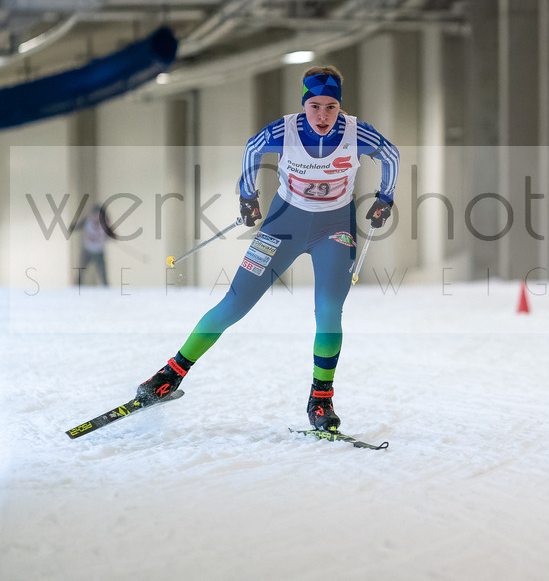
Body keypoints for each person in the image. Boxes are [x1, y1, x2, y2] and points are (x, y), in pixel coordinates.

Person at [135, 65, 399, 431]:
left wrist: (386, 197)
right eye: (315, 106)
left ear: (340, 107)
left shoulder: (356, 133)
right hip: (283, 225)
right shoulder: (284, 131)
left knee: (328, 309)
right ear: (304, 104)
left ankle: (321, 398)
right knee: (236, 302)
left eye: (331, 108)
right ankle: (170, 375)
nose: (323, 116)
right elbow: (252, 149)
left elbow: (392, 155)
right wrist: (247, 196)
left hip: (334, 229)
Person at [75, 204, 113, 287]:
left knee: (102, 271)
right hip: (87, 250)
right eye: (95, 215)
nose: (97, 217)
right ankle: (76, 287)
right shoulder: (87, 221)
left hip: (99, 251)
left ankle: (106, 287)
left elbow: (109, 234)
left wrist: (111, 236)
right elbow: (77, 227)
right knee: (81, 269)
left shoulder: (105, 223)